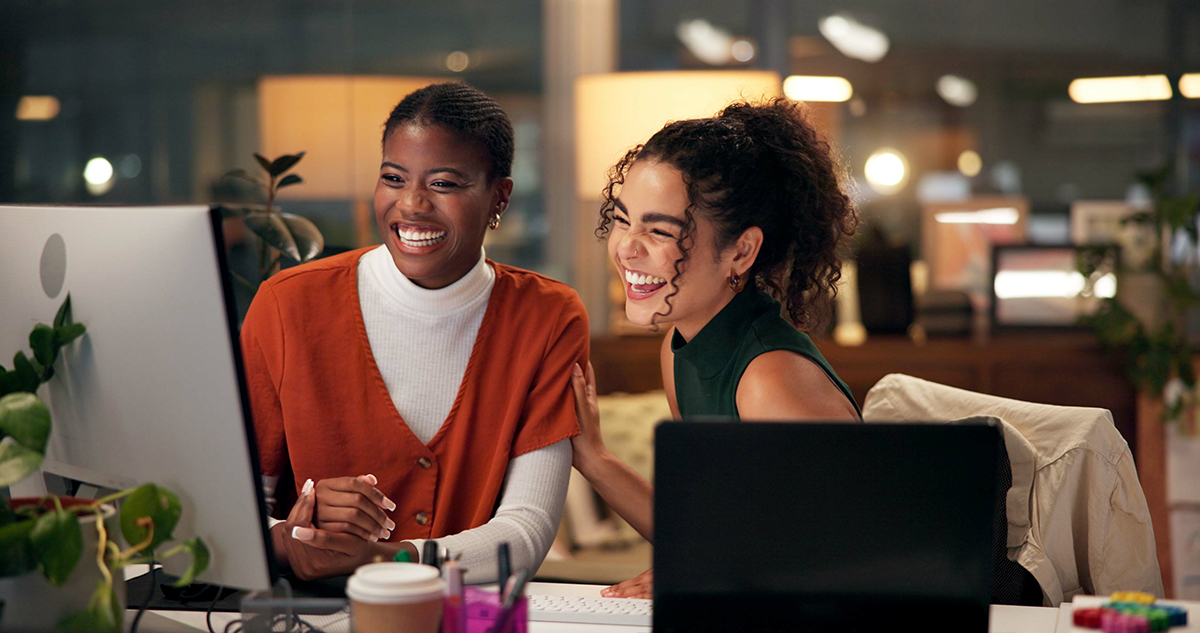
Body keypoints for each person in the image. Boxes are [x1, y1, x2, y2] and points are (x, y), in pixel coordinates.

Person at [240, 82, 588, 582]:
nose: (411, 204)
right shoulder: (287, 304)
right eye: (393, 178)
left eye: (444, 184)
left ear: (500, 197)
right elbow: (231, 514)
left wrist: (383, 558)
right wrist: (294, 538)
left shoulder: (547, 317)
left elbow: (526, 532)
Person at [570, 98, 861, 598]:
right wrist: (592, 456)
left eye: (659, 230)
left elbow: (847, 560)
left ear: (741, 251)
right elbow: (708, 536)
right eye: (623, 220)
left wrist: (715, 579)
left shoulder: (770, 378)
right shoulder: (680, 344)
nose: (626, 248)